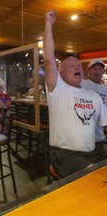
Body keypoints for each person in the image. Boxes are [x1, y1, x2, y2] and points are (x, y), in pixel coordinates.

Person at [43, 10, 107, 178]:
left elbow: (105, 125)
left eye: (79, 65)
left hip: (93, 152)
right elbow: (49, 60)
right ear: (61, 73)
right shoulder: (58, 89)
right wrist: (48, 24)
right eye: (71, 66)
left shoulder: (94, 95)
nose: (77, 67)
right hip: (65, 155)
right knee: (94, 177)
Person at [81, 59, 107, 152]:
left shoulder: (105, 90)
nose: (97, 71)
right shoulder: (81, 84)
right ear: (88, 70)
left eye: (100, 69)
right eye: (94, 69)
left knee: (98, 164)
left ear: (103, 71)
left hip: (98, 137)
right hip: (81, 137)